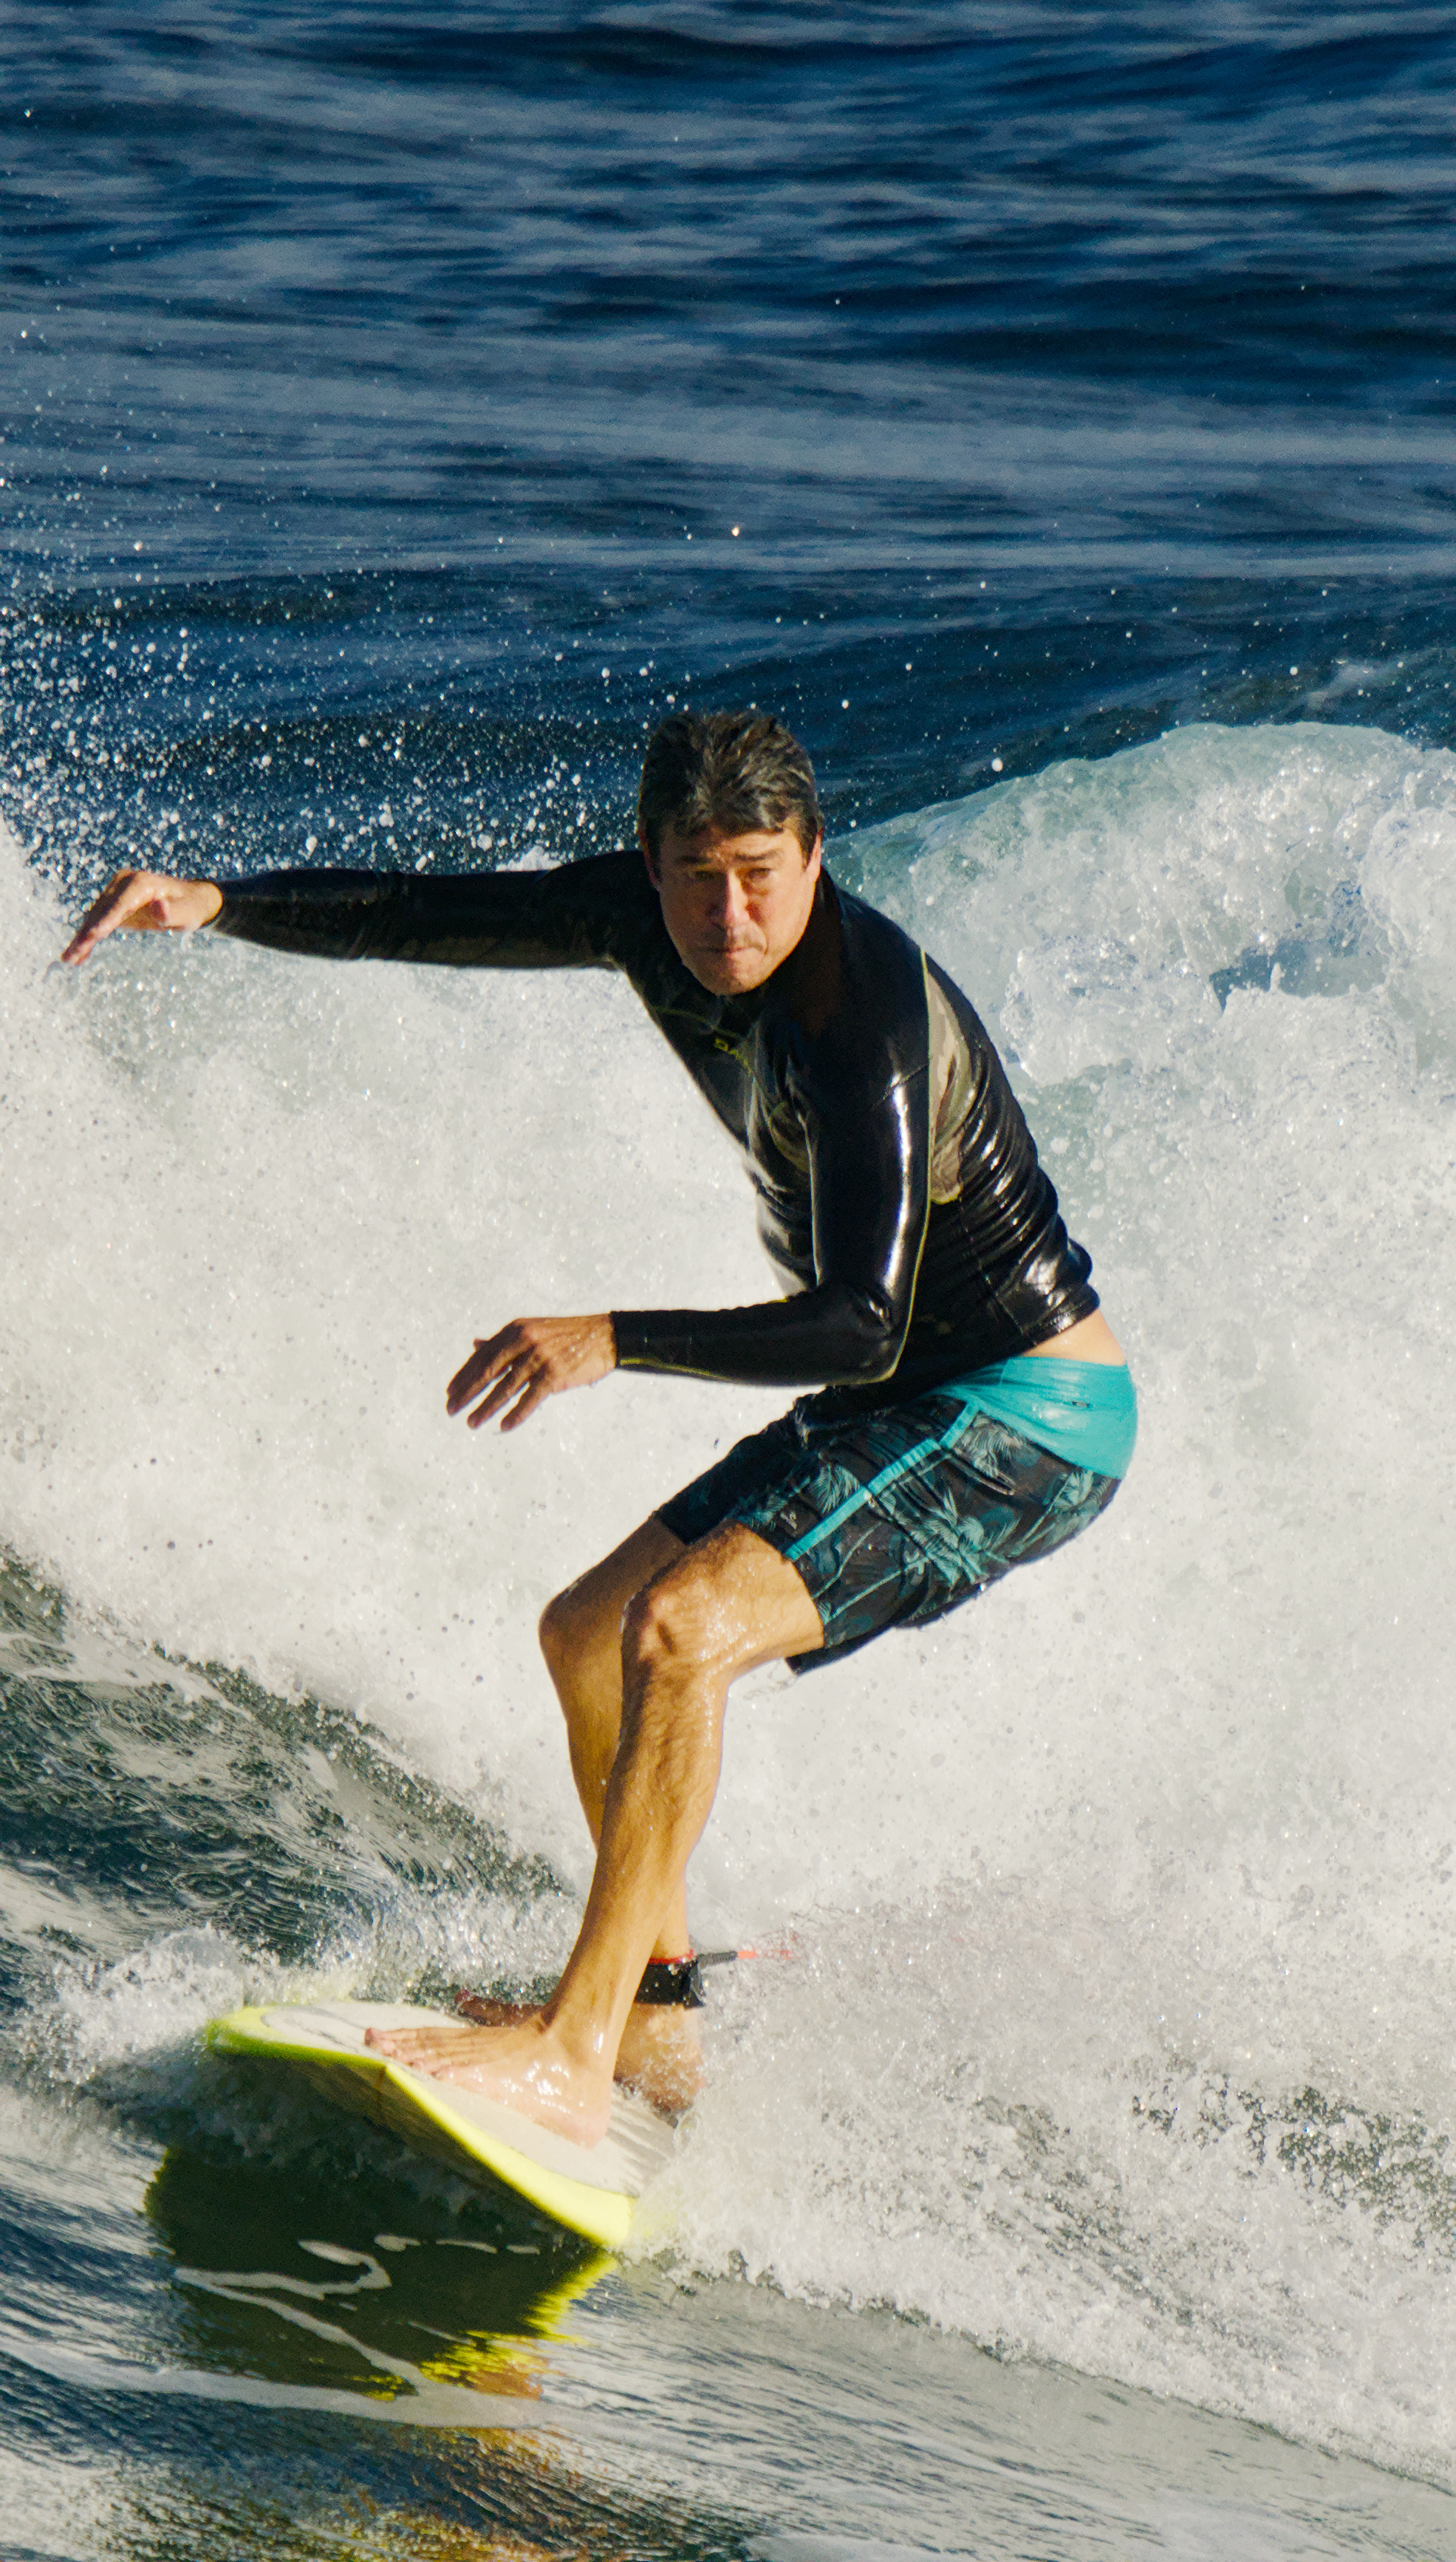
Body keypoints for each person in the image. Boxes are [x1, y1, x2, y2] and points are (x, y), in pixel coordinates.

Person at [62, 710, 1135, 2147]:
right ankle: (656, 2013)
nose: (729, 918)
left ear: (815, 856)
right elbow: (421, 917)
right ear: (650, 860)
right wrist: (220, 902)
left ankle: (572, 2052)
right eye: (697, 879)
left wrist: (610, 1338)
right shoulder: (640, 918)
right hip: (900, 1405)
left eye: (759, 876)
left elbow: (859, 1323)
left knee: (679, 1632)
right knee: (587, 1633)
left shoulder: (858, 1020)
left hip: (1023, 1411)